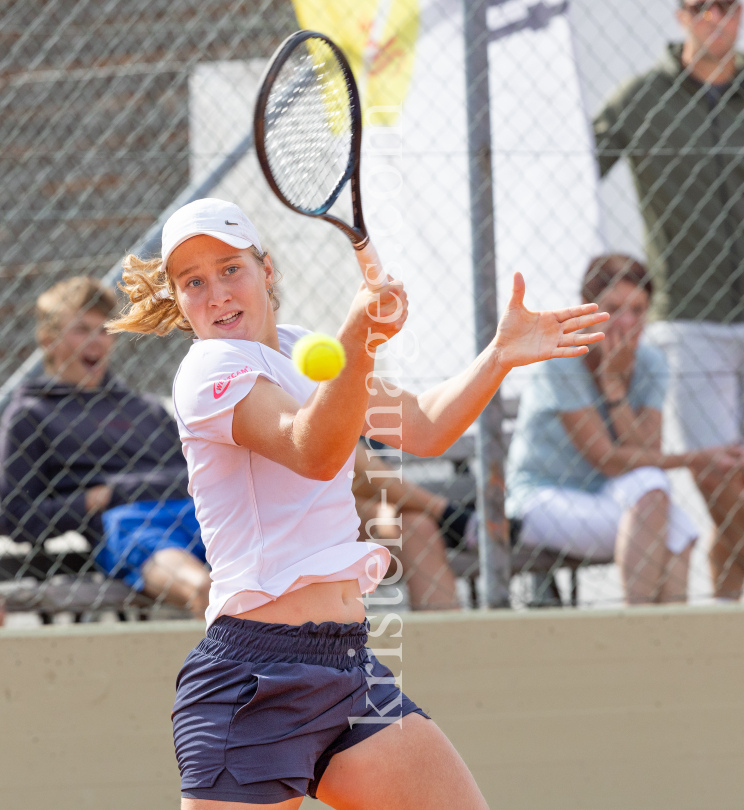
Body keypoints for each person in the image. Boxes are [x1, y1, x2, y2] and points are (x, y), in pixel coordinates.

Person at [107, 197, 607, 809]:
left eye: (230, 268)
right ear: (181, 302)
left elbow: (422, 425)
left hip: (346, 667)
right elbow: (311, 449)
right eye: (194, 282)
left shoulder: (300, 349)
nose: (217, 294)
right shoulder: (208, 368)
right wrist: (358, 335)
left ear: (267, 272)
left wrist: (497, 355)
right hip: (252, 679)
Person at [592, 0, 744, 598]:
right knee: (722, 481)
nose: (720, 19)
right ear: (682, 15)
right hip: (689, 317)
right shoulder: (642, 98)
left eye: (730, 6)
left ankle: (730, 618)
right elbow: (577, 173)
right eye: (704, 8)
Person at [506, 255, 744, 604]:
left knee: (669, 511)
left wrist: (615, 387)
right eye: (613, 309)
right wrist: (696, 458)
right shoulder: (561, 360)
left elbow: (646, 451)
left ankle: (661, 647)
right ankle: (636, 631)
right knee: (664, 509)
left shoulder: (650, 362)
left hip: (612, 498)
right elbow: (607, 459)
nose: (626, 322)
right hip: (542, 499)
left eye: (638, 310)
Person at [0, 277, 210, 617]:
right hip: (132, 526)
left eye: (103, 330)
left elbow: (199, 476)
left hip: (200, 512)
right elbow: (19, 518)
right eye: (81, 330)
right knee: (203, 589)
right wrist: (91, 502)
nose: (96, 341)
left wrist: (111, 490)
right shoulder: (30, 415)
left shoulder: (145, 409)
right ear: (48, 340)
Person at [352, 441, 476, 611]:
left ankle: (445, 635)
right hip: (305, 519)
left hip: (344, 508)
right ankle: (448, 514)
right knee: (342, 443)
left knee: (417, 528)